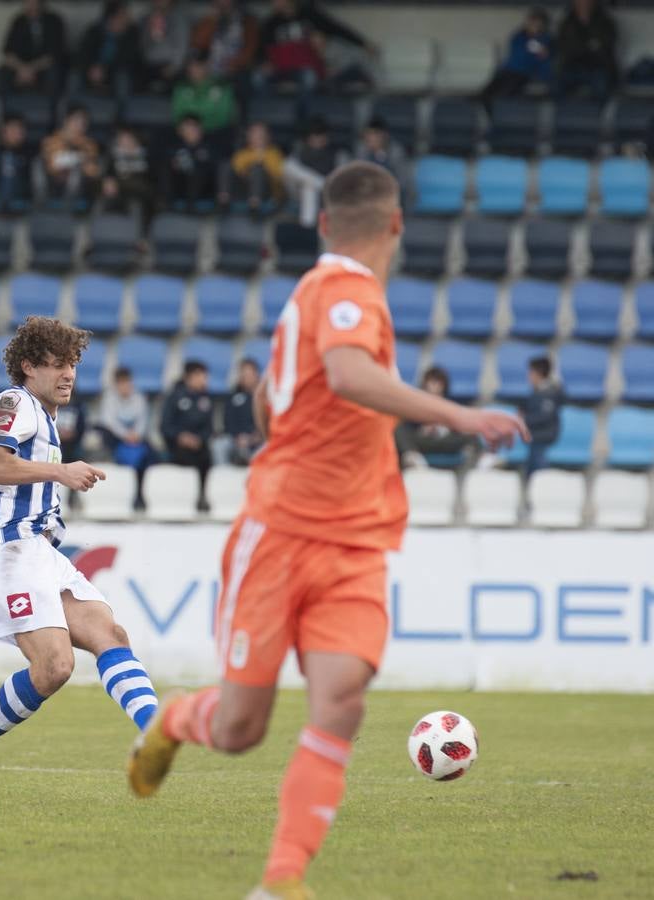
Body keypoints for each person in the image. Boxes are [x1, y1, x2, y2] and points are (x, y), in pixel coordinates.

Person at [126, 162, 528, 899]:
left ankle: (282, 881)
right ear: (398, 225)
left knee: (342, 699)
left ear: (321, 222)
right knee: (242, 728)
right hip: (280, 532)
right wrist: (463, 417)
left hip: (356, 538)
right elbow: (345, 375)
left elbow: (277, 404)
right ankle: (177, 720)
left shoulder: (315, 297)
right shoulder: (342, 288)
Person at [0, 315, 161, 797]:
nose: (68, 375)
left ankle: (158, 730)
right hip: (11, 554)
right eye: (57, 364)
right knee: (55, 667)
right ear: (28, 367)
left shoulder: (38, 413)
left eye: (73, 365)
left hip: (38, 549)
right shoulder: (15, 401)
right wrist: (57, 474)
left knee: (109, 632)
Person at [256, 0, 372, 94]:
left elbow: (337, 29)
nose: (273, 2)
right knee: (258, 78)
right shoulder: (271, 23)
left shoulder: (310, 15)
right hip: (280, 68)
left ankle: (303, 117)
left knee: (309, 77)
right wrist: (264, 62)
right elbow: (262, 48)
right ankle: (268, 116)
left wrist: (363, 43)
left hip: (305, 67)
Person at [394, 367, 477, 469]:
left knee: (471, 431)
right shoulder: (416, 406)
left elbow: (459, 427)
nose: (435, 386)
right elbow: (407, 426)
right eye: (432, 382)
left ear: (444, 385)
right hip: (423, 442)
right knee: (399, 429)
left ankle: (479, 458)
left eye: (438, 382)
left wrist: (442, 429)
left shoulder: (450, 406)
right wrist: (423, 428)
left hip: (446, 441)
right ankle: (411, 456)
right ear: (425, 384)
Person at [161, 361, 215, 510]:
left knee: (207, 457)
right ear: (190, 377)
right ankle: (183, 499)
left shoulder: (206, 400)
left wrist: (199, 439)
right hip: (177, 446)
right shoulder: (174, 397)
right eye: (201, 376)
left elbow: (209, 428)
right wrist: (181, 437)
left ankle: (203, 496)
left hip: (198, 446)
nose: (204, 380)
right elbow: (165, 426)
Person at [97, 366, 154, 505]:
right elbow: (109, 422)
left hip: (136, 439)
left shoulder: (139, 398)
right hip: (117, 439)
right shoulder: (109, 398)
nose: (125, 386)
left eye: (127, 382)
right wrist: (126, 435)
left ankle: (141, 495)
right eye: (121, 383)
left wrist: (136, 435)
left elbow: (143, 421)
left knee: (149, 456)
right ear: (116, 384)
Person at [480, 7, 554, 106]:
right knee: (492, 86)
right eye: (532, 22)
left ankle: (498, 109)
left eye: (537, 24)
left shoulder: (545, 40)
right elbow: (515, 55)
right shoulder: (518, 37)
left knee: (506, 91)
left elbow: (544, 63)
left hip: (524, 74)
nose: (534, 26)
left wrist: (543, 56)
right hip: (509, 70)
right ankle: (483, 103)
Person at [283, 117, 346, 227]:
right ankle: (322, 183)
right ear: (308, 137)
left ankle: (308, 229)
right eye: (315, 135)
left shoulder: (337, 154)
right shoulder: (300, 151)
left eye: (321, 134)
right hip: (298, 193)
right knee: (288, 165)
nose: (318, 138)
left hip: (327, 195)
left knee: (309, 188)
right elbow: (290, 173)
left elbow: (342, 180)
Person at [172, 51, 239, 154]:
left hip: (215, 133)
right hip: (188, 134)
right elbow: (178, 115)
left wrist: (198, 127)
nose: (195, 69)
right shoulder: (181, 88)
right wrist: (188, 127)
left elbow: (224, 117)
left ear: (207, 66)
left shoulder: (222, 88)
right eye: (191, 66)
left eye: (199, 65)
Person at [0, 0, 68, 97]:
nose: (31, 6)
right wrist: (21, 68)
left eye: (35, 3)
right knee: (2, 72)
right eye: (28, 3)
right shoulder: (18, 21)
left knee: (54, 73)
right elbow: (8, 52)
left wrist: (31, 69)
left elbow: (55, 53)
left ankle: (49, 109)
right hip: (21, 66)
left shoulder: (54, 21)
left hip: (43, 66)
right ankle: (7, 108)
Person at [75, 1, 142, 100]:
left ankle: (120, 113)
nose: (127, 18)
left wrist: (104, 69)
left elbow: (128, 59)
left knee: (122, 78)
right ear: (111, 18)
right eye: (123, 15)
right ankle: (74, 112)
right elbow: (83, 54)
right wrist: (91, 68)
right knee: (74, 77)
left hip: (115, 72)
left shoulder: (132, 32)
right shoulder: (94, 31)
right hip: (93, 71)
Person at [555, 0, 618, 100]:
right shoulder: (567, 22)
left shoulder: (605, 22)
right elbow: (563, 46)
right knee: (556, 85)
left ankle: (601, 114)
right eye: (579, 2)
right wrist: (589, 45)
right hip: (572, 66)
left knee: (601, 89)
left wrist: (580, 46)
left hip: (597, 66)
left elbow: (606, 45)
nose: (583, 5)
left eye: (587, 2)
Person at [40, 105, 101, 208]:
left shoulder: (89, 144)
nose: (80, 125)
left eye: (83, 122)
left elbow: (93, 171)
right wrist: (79, 159)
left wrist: (72, 161)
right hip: (55, 186)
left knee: (78, 175)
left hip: (81, 187)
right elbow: (52, 167)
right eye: (76, 120)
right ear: (66, 121)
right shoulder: (51, 141)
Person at [158, 114, 220, 212]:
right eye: (187, 127)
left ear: (201, 130)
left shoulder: (209, 148)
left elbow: (213, 168)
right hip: (180, 184)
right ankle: (167, 201)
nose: (191, 131)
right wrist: (175, 164)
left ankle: (191, 203)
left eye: (194, 127)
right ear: (180, 131)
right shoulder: (174, 148)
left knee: (199, 170)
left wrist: (195, 162)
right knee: (166, 167)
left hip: (203, 188)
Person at [190, 0, 260, 81]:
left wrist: (234, 64)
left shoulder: (247, 21)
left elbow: (249, 52)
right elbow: (198, 46)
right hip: (210, 70)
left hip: (236, 71)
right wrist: (199, 65)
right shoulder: (208, 20)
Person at [0, 113, 36, 214]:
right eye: (13, 129)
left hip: (21, 200)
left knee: (9, 160)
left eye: (21, 129)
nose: (18, 133)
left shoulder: (31, 153)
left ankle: (3, 203)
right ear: (3, 130)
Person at [226, 121, 284, 211]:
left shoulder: (274, 153)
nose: (258, 136)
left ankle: (255, 203)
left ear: (267, 136)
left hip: (267, 191)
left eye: (261, 133)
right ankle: (224, 200)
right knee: (252, 168)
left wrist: (263, 160)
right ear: (248, 136)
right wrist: (256, 157)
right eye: (254, 133)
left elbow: (278, 175)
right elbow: (237, 170)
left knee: (258, 169)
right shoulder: (242, 153)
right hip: (245, 189)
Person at [521, 356, 562, 479]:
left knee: (536, 452)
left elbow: (544, 416)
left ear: (538, 374)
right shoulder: (536, 391)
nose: (528, 376)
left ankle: (542, 480)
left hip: (546, 434)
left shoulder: (550, 392)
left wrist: (523, 420)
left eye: (531, 372)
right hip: (535, 434)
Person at [217, 356, 263, 465]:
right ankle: (224, 476)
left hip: (259, 439)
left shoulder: (264, 397)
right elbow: (228, 422)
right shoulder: (233, 397)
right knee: (219, 445)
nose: (245, 377)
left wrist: (256, 437)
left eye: (248, 374)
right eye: (242, 374)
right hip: (237, 439)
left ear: (256, 374)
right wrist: (236, 437)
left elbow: (269, 422)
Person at [138, 0, 191, 93]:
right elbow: (143, 45)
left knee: (178, 80)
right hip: (149, 63)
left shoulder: (178, 18)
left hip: (169, 63)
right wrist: (150, 26)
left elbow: (182, 45)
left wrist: (175, 66)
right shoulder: (147, 18)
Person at [101, 125, 153, 216]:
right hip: (118, 194)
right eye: (121, 139)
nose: (126, 142)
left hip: (141, 193)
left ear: (136, 139)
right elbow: (108, 175)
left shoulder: (147, 157)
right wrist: (108, 181)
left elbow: (150, 180)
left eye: (129, 138)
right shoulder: (113, 158)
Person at [353, 116, 408, 188]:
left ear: (384, 136)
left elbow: (402, 181)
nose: (369, 141)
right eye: (367, 138)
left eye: (373, 137)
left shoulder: (396, 152)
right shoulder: (362, 150)